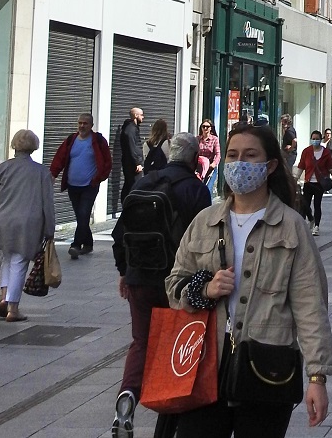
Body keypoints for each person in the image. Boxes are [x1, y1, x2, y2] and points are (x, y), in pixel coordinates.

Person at [164, 123, 332, 437]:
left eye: (250, 155)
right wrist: (205, 289)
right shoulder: (205, 222)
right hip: (203, 366)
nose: (239, 163)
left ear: (269, 166)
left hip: (267, 368)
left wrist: (317, 377)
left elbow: (311, 307)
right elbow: (174, 285)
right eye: (232, 155)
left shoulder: (291, 227)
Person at [110, 132, 211, 438]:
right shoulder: (196, 189)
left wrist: (125, 272)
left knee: (141, 341)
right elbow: (203, 244)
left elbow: (119, 235)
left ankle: (128, 393)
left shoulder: (143, 184)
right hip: (177, 281)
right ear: (195, 159)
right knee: (176, 344)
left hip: (140, 276)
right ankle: (170, 411)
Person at [0, 130, 55, 323]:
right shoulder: (41, 172)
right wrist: (50, 229)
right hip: (29, 222)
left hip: (4, 219)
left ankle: (4, 297)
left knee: (7, 258)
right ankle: (13, 308)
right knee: (20, 261)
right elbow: (47, 203)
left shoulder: (3, 168)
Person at [51, 113, 112, 259]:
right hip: (73, 185)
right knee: (81, 216)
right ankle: (89, 243)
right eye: (80, 123)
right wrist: (52, 174)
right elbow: (60, 157)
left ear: (91, 125)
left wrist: (98, 178)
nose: (82, 126)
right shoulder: (71, 140)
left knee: (84, 214)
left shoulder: (98, 140)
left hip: (89, 185)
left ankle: (76, 245)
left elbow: (107, 162)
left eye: (85, 123)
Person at [297, 130, 332, 236]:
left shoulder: (326, 152)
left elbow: (331, 168)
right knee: (305, 204)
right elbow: (301, 166)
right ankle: (307, 221)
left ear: (321, 139)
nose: (315, 141)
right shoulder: (306, 151)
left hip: (319, 184)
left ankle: (316, 226)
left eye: (317, 139)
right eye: (313, 139)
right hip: (308, 182)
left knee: (317, 204)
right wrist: (295, 178)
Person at [118, 107, 144, 202]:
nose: (143, 117)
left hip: (130, 163)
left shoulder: (131, 128)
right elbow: (131, 147)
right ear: (136, 115)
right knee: (134, 186)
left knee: (129, 185)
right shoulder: (130, 130)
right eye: (141, 115)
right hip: (132, 164)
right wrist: (137, 162)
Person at [197, 119, 221, 192]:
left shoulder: (214, 139)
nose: (205, 128)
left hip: (210, 168)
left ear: (211, 128)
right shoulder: (197, 139)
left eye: (207, 127)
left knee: (208, 189)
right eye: (203, 126)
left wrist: (214, 164)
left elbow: (218, 154)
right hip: (199, 168)